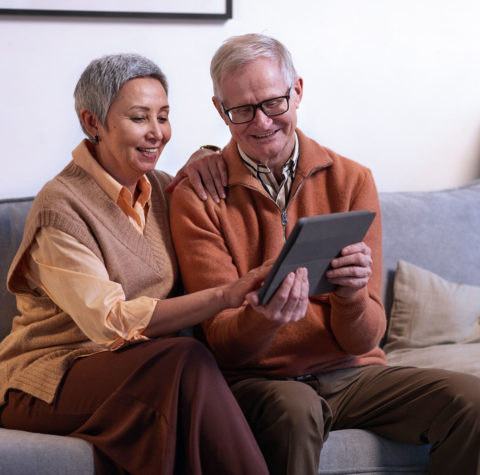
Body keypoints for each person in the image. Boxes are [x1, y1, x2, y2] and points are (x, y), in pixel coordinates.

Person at [169, 33, 480, 475]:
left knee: (471, 402)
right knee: (296, 411)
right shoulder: (199, 198)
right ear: (220, 111)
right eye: (242, 110)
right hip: (260, 382)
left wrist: (351, 297)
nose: (261, 123)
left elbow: (365, 340)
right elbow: (224, 344)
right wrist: (266, 316)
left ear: (297, 91)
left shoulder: (352, 180)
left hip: (352, 375)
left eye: (274, 103)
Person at [0, 53, 271, 475]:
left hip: (139, 370)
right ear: (93, 123)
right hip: (46, 378)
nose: (157, 134)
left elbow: (212, 167)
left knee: (185, 373)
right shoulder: (61, 207)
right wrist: (225, 295)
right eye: (139, 118)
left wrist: (209, 154)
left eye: (163, 117)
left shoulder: (164, 189)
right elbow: (110, 322)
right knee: (185, 359)